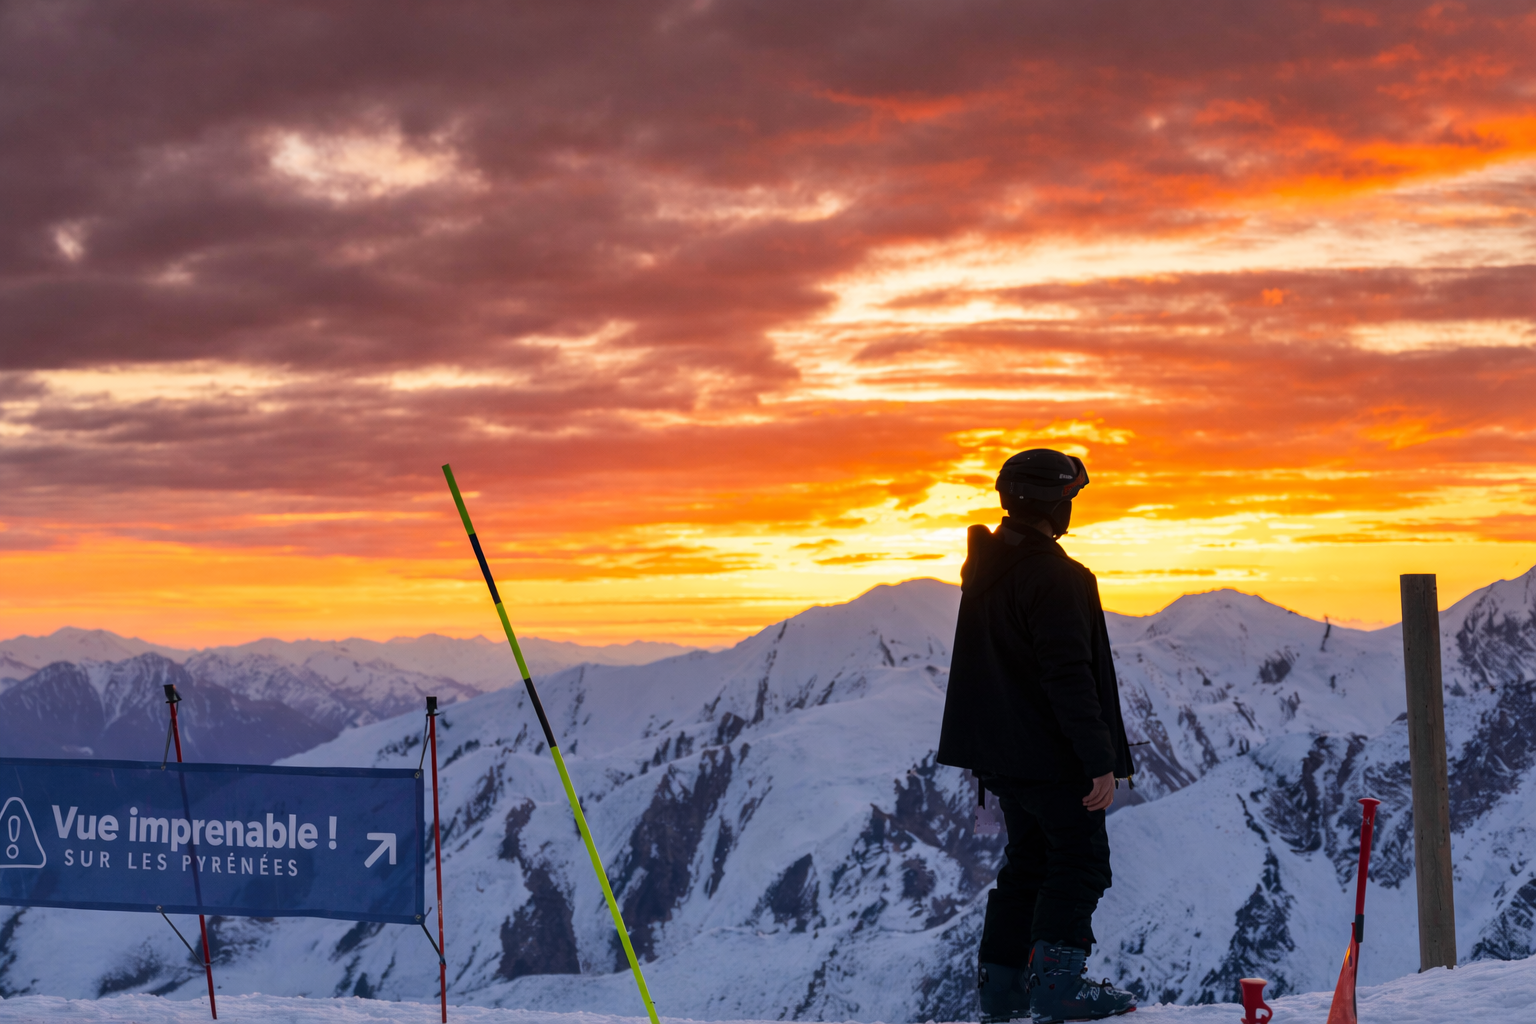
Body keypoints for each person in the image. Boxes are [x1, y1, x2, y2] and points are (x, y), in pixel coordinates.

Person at [937, 448, 1138, 1023]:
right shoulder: (1054, 575)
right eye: (1070, 496)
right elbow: (1068, 674)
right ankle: (1058, 986)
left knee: (1027, 863)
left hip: (1003, 756)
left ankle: (1001, 992)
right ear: (1053, 502)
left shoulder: (988, 568)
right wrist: (1098, 760)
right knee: (1080, 861)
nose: (1072, 507)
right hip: (1053, 756)